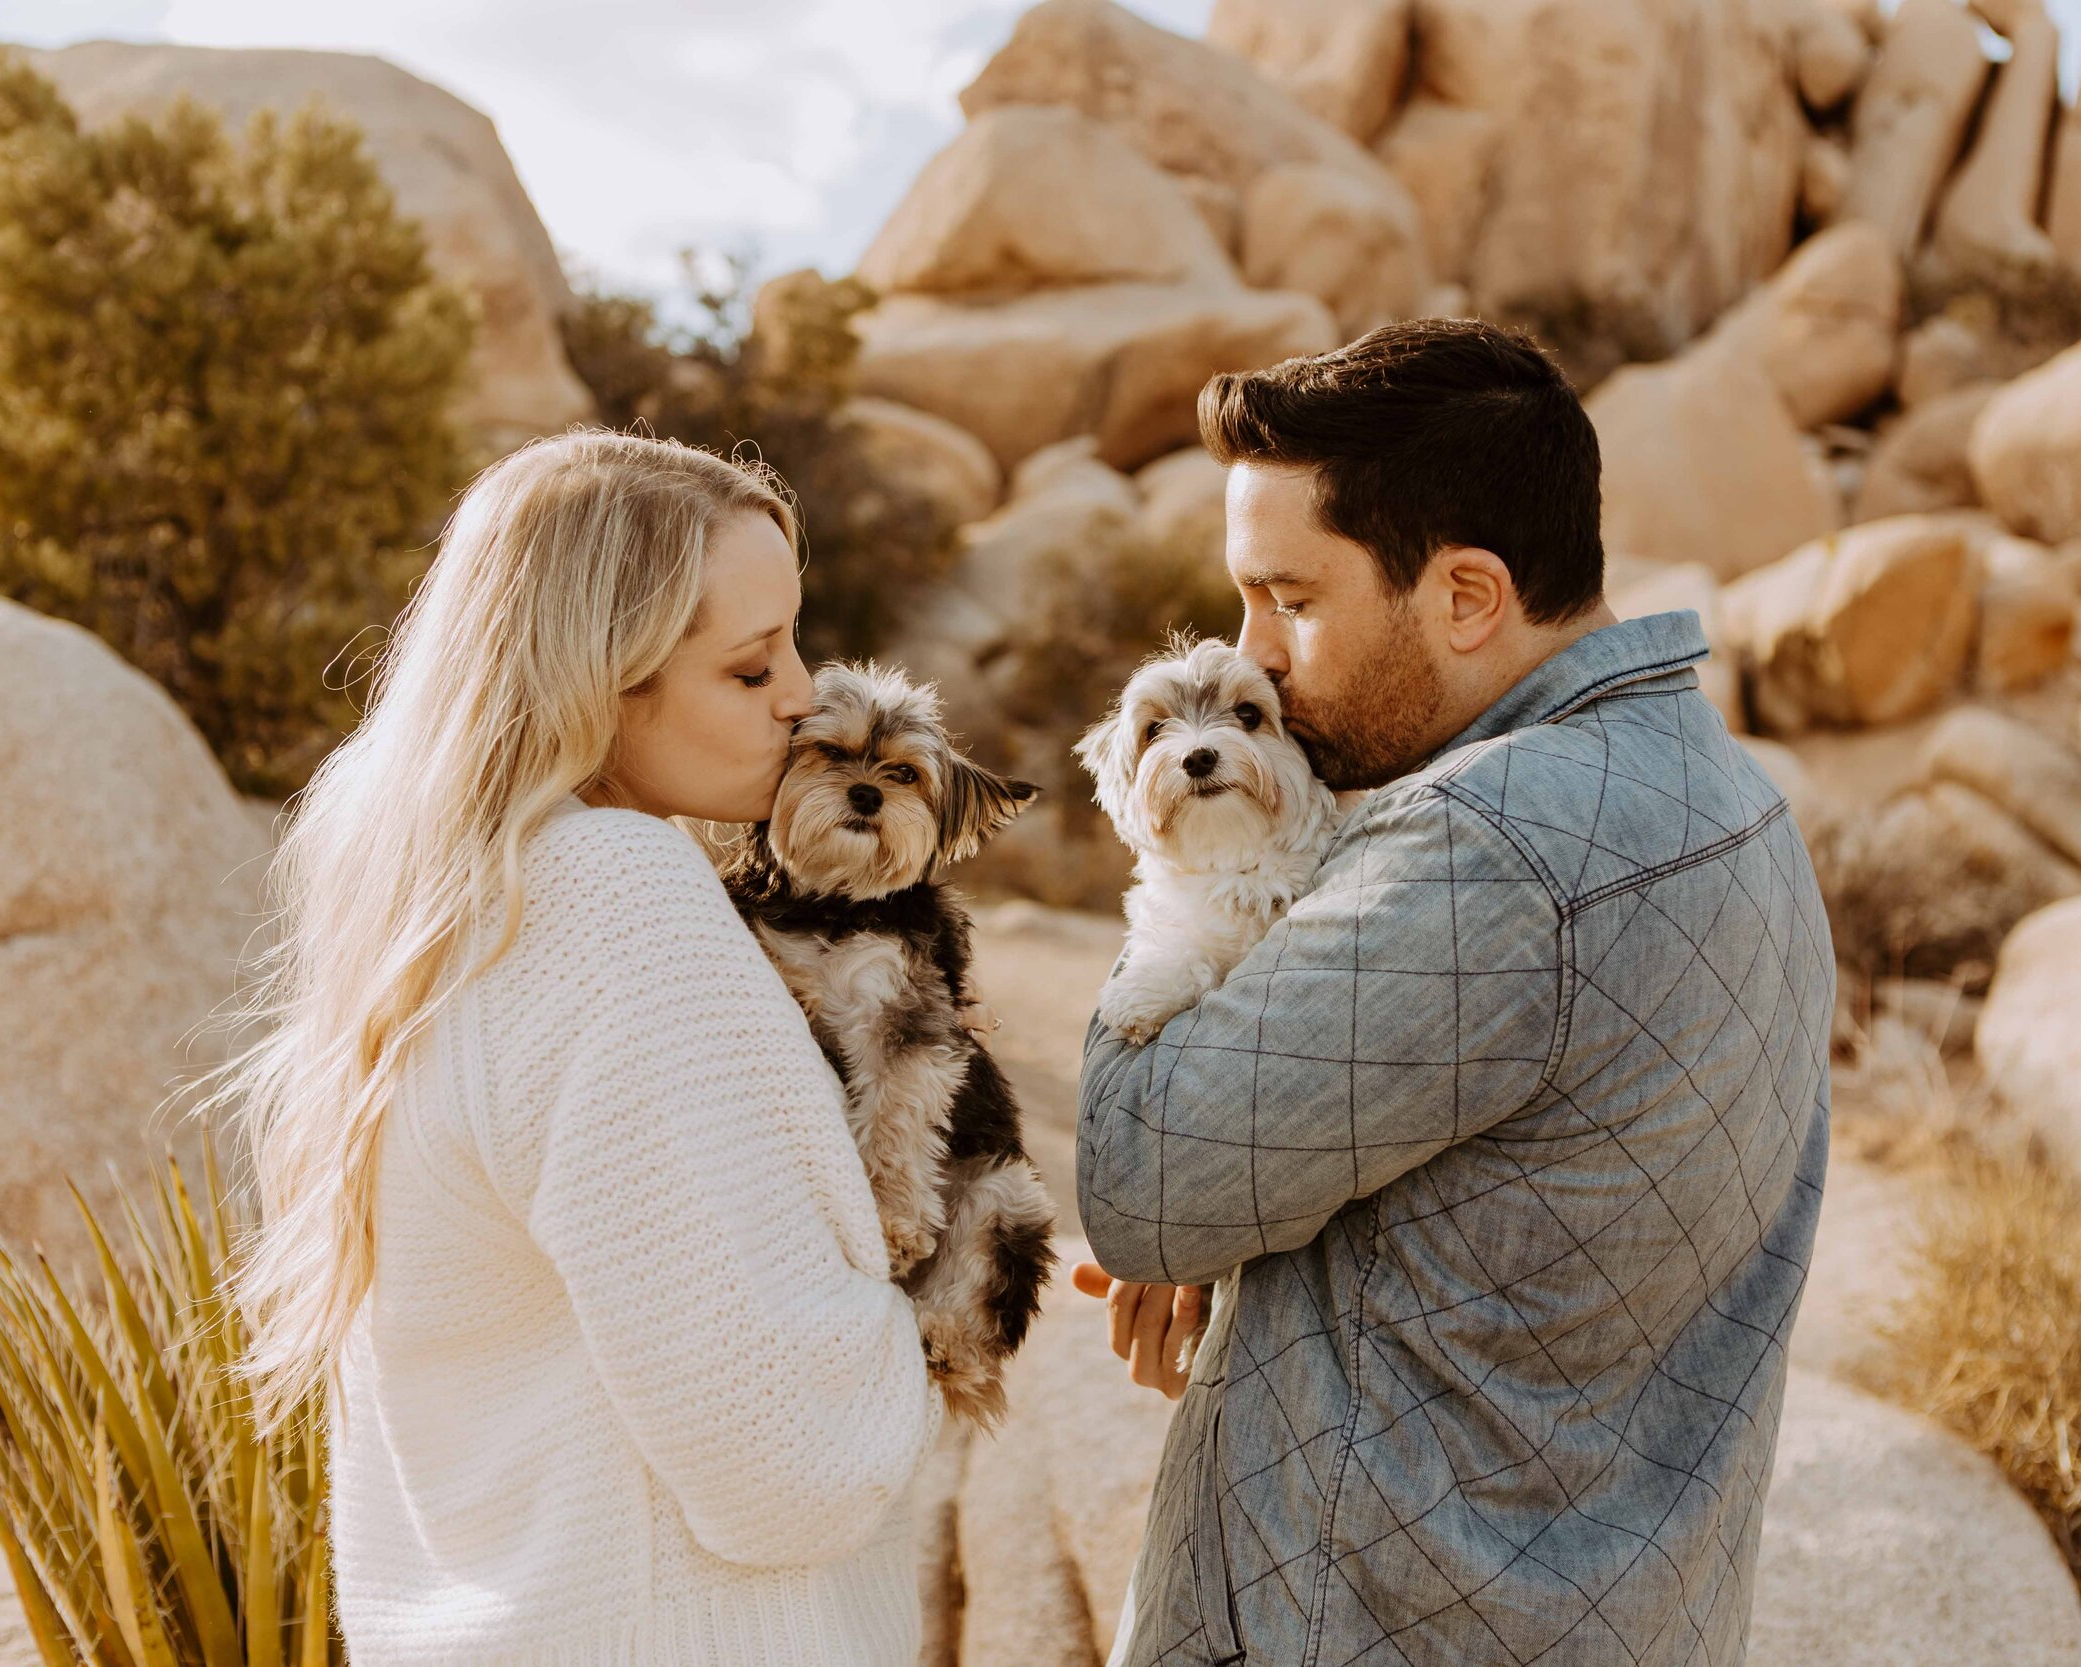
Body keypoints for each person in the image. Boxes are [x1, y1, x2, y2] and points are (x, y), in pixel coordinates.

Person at [1074, 320, 1834, 1667]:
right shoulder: (1737, 800)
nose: (1259, 657)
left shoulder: (1486, 841)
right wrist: (1249, 1225)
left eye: (1292, 600)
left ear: (1469, 596)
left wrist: (1171, 917)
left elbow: (1139, 1173)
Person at [219, 431, 944, 1666]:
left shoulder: (436, 908)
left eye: (800, 642)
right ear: (600, 683)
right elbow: (788, 1452)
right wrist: (945, 1307)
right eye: (751, 663)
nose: (805, 695)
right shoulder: (614, 899)